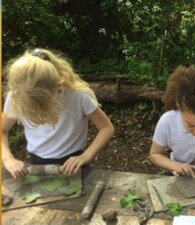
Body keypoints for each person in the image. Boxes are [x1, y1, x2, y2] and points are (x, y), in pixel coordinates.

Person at [2, 48, 115, 178]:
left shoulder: (78, 95)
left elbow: (106, 128)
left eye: (44, 105)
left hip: (74, 163)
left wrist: (86, 155)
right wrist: (8, 159)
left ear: (59, 86)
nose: (41, 113)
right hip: (36, 163)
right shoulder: (17, 96)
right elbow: (2, 129)